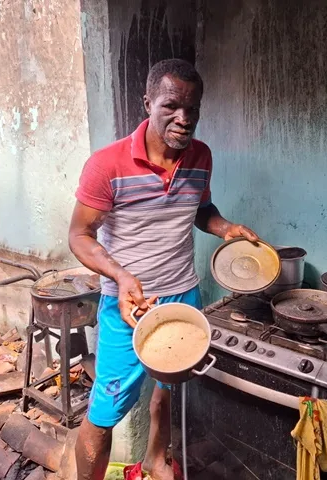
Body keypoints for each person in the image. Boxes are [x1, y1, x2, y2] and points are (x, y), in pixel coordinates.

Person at [69, 58, 259, 480]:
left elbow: (199, 209)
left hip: (184, 295)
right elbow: (79, 235)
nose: (184, 118)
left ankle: (156, 459)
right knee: (106, 408)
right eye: (171, 105)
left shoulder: (201, 156)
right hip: (128, 306)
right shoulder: (107, 165)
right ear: (148, 102)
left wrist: (226, 228)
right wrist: (119, 276)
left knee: (169, 388)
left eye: (193, 108)